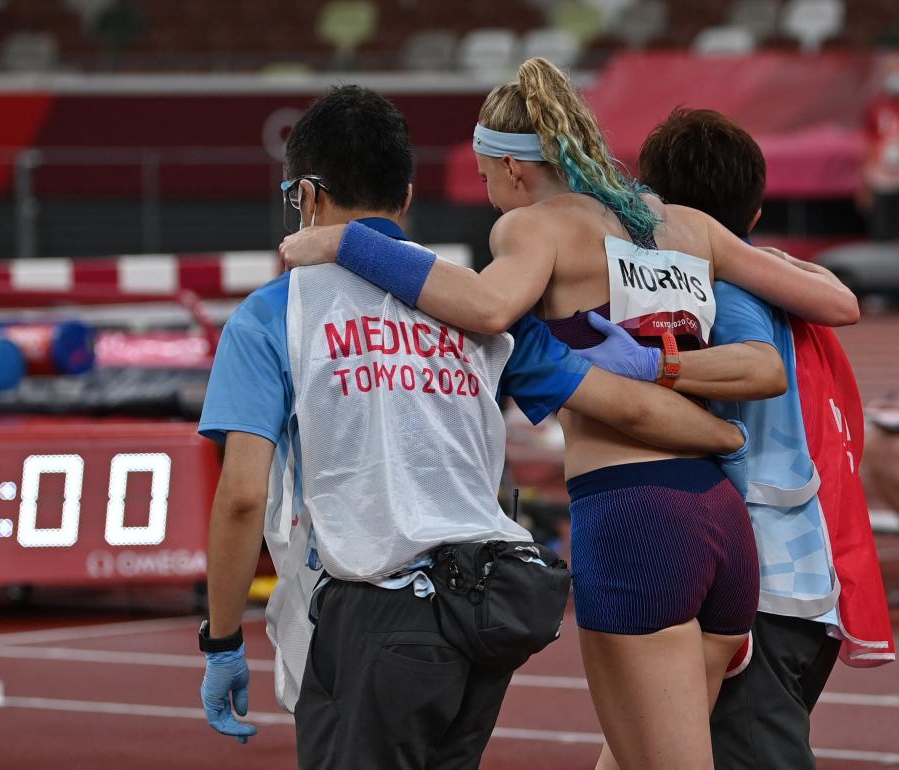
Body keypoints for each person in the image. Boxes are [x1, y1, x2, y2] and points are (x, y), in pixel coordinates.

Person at [279, 59, 861, 770]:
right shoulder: (678, 223)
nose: (490, 198)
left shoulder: (535, 228)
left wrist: (347, 242)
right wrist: (705, 414)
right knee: (632, 755)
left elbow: (488, 308)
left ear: (515, 172)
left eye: (489, 179)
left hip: (635, 519)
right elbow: (834, 302)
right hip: (720, 520)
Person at [198, 85, 748, 770]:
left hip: (375, 609)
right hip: (486, 609)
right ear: (404, 195)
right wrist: (726, 436)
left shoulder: (274, 314)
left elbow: (244, 495)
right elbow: (626, 404)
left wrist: (222, 640)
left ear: (306, 199)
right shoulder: (479, 304)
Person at [579, 108, 896, 769]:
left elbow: (761, 370)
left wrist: (645, 367)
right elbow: (841, 303)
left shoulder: (720, 290)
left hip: (758, 587)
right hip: (786, 577)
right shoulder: (772, 275)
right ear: (753, 215)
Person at [861, 51, 899, 240]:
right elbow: (869, 144)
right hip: (883, 178)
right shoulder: (878, 107)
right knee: (883, 227)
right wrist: (866, 184)